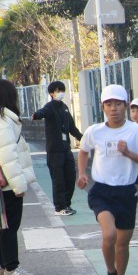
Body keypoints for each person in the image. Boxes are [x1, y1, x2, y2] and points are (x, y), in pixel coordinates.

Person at [76, 85, 138, 275]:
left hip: (126, 193)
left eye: (118, 104)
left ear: (126, 106)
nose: (113, 109)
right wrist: (82, 173)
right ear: (103, 107)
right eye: (109, 104)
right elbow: (83, 150)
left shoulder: (137, 132)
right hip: (101, 191)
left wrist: (128, 153)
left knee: (122, 245)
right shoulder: (95, 131)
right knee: (109, 234)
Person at [0, 79, 36, 275]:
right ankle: (11, 267)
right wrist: (18, 186)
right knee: (9, 226)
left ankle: (3, 265)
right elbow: (8, 156)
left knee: (2, 225)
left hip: (4, 184)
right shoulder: (4, 121)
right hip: (7, 185)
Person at [31, 81, 83, 216]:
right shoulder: (49, 107)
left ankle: (67, 204)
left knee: (70, 177)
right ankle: (59, 207)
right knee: (58, 180)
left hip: (66, 149)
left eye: (62, 90)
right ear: (51, 93)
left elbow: (72, 127)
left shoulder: (64, 107)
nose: (61, 93)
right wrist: (35, 115)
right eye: (57, 91)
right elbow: (41, 112)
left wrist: (83, 139)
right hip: (54, 150)